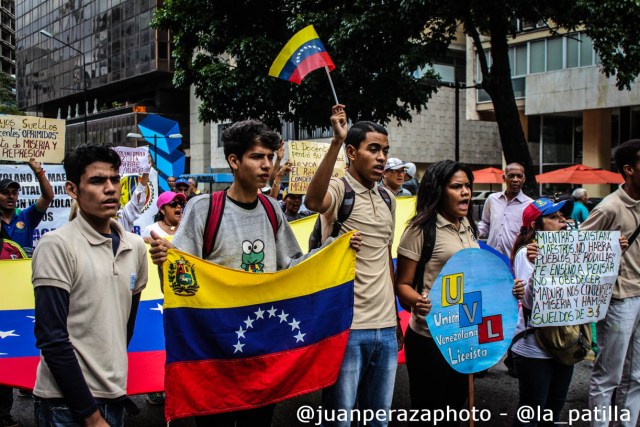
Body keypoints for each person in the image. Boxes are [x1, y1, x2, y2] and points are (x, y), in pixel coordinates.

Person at [148, 119, 361, 427]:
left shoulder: (272, 210)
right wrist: (163, 262)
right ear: (234, 160)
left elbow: (293, 268)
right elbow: (183, 281)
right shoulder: (203, 209)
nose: (267, 165)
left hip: (261, 353)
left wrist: (333, 249)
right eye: (257, 156)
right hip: (216, 354)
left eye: (270, 157)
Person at [31, 143, 148, 427]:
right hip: (65, 405)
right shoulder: (56, 246)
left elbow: (125, 326)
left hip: (115, 396)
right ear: (73, 189)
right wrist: (90, 416)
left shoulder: (136, 247)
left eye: (114, 179)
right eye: (97, 181)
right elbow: (52, 338)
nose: (110, 188)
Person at [305, 105, 398, 427]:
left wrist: (396, 320)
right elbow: (312, 202)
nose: (382, 157)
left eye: (385, 150)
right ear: (352, 153)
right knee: (340, 420)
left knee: (379, 421)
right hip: (347, 329)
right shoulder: (339, 190)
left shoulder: (388, 198)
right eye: (374, 149)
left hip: (385, 329)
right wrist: (334, 142)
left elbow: (386, 257)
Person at [394, 160, 501, 426]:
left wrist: (508, 288)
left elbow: (476, 278)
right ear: (438, 191)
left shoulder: (469, 227)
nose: (466, 192)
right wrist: (418, 301)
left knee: (455, 409)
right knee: (429, 413)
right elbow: (402, 284)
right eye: (456, 186)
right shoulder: (419, 230)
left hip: (466, 336)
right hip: (430, 339)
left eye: (467, 186)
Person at [510, 198, 591, 426]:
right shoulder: (527, 253)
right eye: (553, 217)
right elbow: (528, 302)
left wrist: (614, 252)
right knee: (532, 413)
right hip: (535, 346)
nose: (562, 220)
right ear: (536, 226)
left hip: (566, 342)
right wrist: (542, 266)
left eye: (562, 216)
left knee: (554, 410)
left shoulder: (570, 250)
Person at [583, 139, 640, 427]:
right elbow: (577, 248)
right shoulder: (609, 207)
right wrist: (606, 247)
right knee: (609, 376)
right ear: (629, 170)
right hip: (619, 300)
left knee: (637, 376)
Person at [0, 158, 54, 255]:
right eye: (5, 193)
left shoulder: (26, 217)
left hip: (23, 269)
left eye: (14, 193)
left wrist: (39, 173)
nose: (11, 196)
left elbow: (48, 197)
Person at [478, 163, 532, 257]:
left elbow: (531, 233)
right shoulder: (492, 199)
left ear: (524, 179)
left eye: (519, 176)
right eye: (511, 176)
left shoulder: (530, 205)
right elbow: (485, 223)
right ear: (504, 178)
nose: (515, 180)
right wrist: (474, 233)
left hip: (514, 260)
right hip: (492, 257)